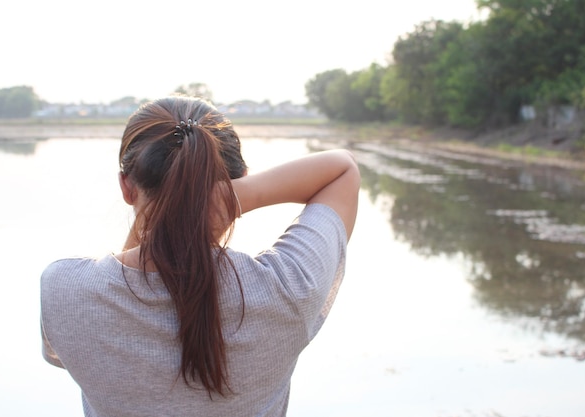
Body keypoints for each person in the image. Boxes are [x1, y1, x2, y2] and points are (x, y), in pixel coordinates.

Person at [40, 94, 360, 417]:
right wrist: (232, 199)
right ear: (240, 178)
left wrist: (172, 211)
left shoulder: (64, 292)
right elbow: (343, 170)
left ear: (126, 187)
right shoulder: (287, 290)